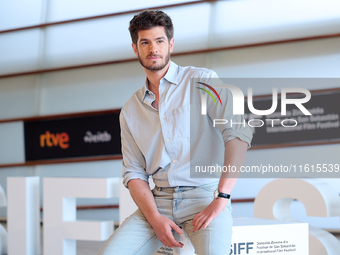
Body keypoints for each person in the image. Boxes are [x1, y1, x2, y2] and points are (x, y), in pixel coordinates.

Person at [97, 10, 252, 255]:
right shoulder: (130, 110)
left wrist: (222, 197)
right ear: (135, 49)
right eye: (145, 42)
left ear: (170, 44)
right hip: (157, 203)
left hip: (204, 196)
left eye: (159, 41)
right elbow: (134, 172)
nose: (153, 49)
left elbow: (237, 135)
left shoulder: (203, 80)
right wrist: (155, 218)